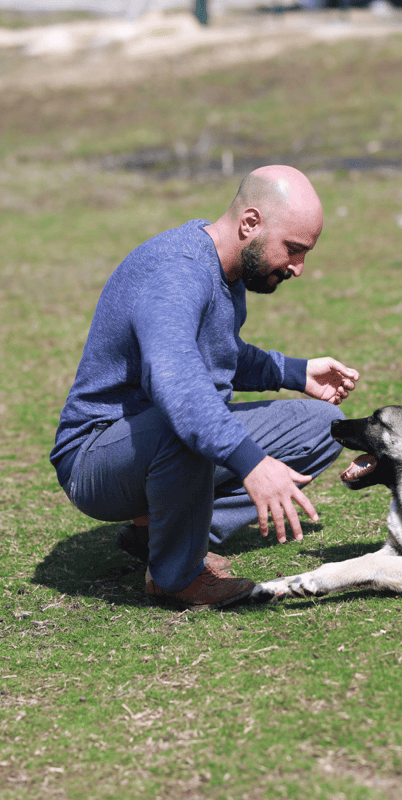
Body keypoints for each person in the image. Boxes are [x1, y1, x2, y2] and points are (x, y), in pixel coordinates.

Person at [50, 165, 360, 611]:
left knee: (324, 426)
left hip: (157, 439)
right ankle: (176, 576)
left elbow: (219, 353)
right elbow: (179, 387)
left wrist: (295, 372)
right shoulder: (178, 273)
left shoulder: (226, 270)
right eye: (293, 249)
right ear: (250, 223)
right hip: (96, 458)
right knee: (191, 420)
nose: (298, 267)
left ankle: (160, 535)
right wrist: (253, 464)